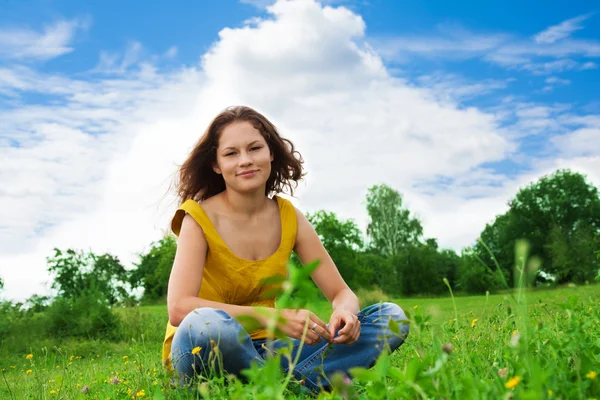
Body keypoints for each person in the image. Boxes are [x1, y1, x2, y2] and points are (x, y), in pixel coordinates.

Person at [162, 105, 410, 394]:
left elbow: (341, 292)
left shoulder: (289, 217)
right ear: (216, 164)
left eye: (254, 148)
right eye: (231, 153)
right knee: (209, 324)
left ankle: (283, 386)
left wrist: (345, 315)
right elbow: (179, 308)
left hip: (272, 350)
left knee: (391, 317)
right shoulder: (197, 218)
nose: (245, 160)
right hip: (203, 346)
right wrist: (275, 319)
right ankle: (292, 384)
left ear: (270, 153)